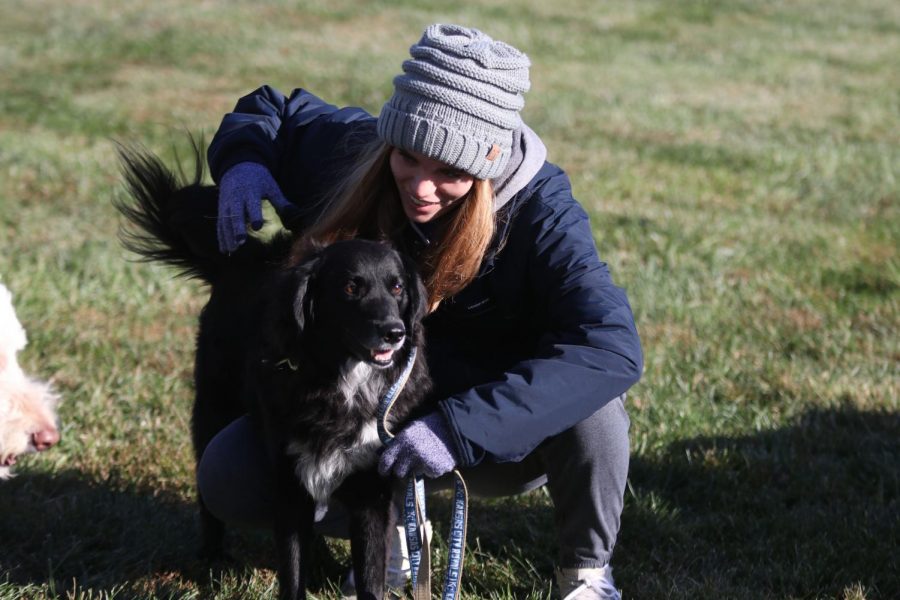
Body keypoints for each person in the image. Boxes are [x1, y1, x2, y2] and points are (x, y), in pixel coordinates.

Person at [197, 23, 642, 600]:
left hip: (493, 422)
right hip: (367, 414)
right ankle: (391, 538)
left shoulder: (544, 214)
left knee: (595, 404)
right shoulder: (361, 152)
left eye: (450, 173)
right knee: (230, 477)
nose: (422, 188)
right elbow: (271, 110)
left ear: (488, 164)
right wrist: (244, 160)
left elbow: (610, 345)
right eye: (408, 158)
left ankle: (584, 572)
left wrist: (462, 428)